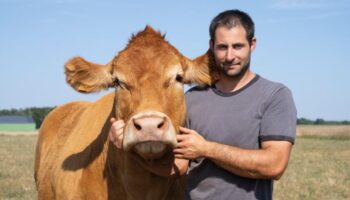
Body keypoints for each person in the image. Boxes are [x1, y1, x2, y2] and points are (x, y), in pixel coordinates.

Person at [109, 9, 297, 200]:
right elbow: (178, 167)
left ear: (252, 44)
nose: (230, 56)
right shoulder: (191, 99)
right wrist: (128, 146)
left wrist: (206, 149)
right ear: (211, 46)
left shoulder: (274, 95)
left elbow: (275, 165)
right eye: (223, 47)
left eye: (238, 46)